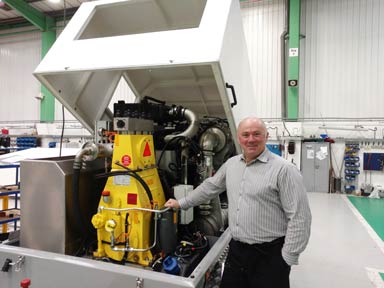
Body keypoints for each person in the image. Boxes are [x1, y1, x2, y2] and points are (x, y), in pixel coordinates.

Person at [165, 116, 311, 288]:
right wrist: (181, 203)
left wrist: (287, 258)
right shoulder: (232, 164)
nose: (251, 139)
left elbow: (300, 217)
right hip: (237, 251)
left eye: (256, 134)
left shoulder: (284, 170)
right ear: (238, 138)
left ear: (266, 135)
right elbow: (210, 187)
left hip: (269, 255)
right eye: (245, 135)